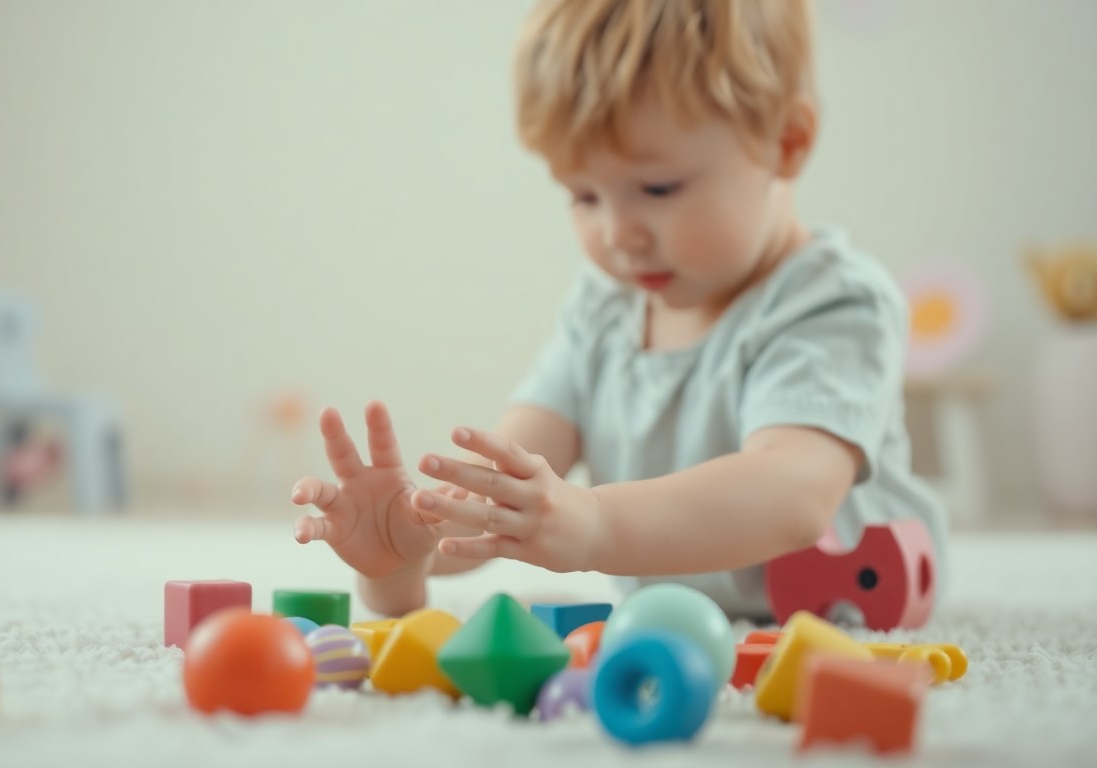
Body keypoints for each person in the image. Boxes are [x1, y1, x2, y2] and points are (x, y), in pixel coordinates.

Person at [290, 0, 947, 620]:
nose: (618, 234)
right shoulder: (604, 309)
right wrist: (407, 546)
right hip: (674, 622)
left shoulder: (831, 302)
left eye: (657, 188)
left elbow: (793, 493)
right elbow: (503, 489)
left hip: (844, 608)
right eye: (584, 196)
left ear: (787, 141)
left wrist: (597, 523)